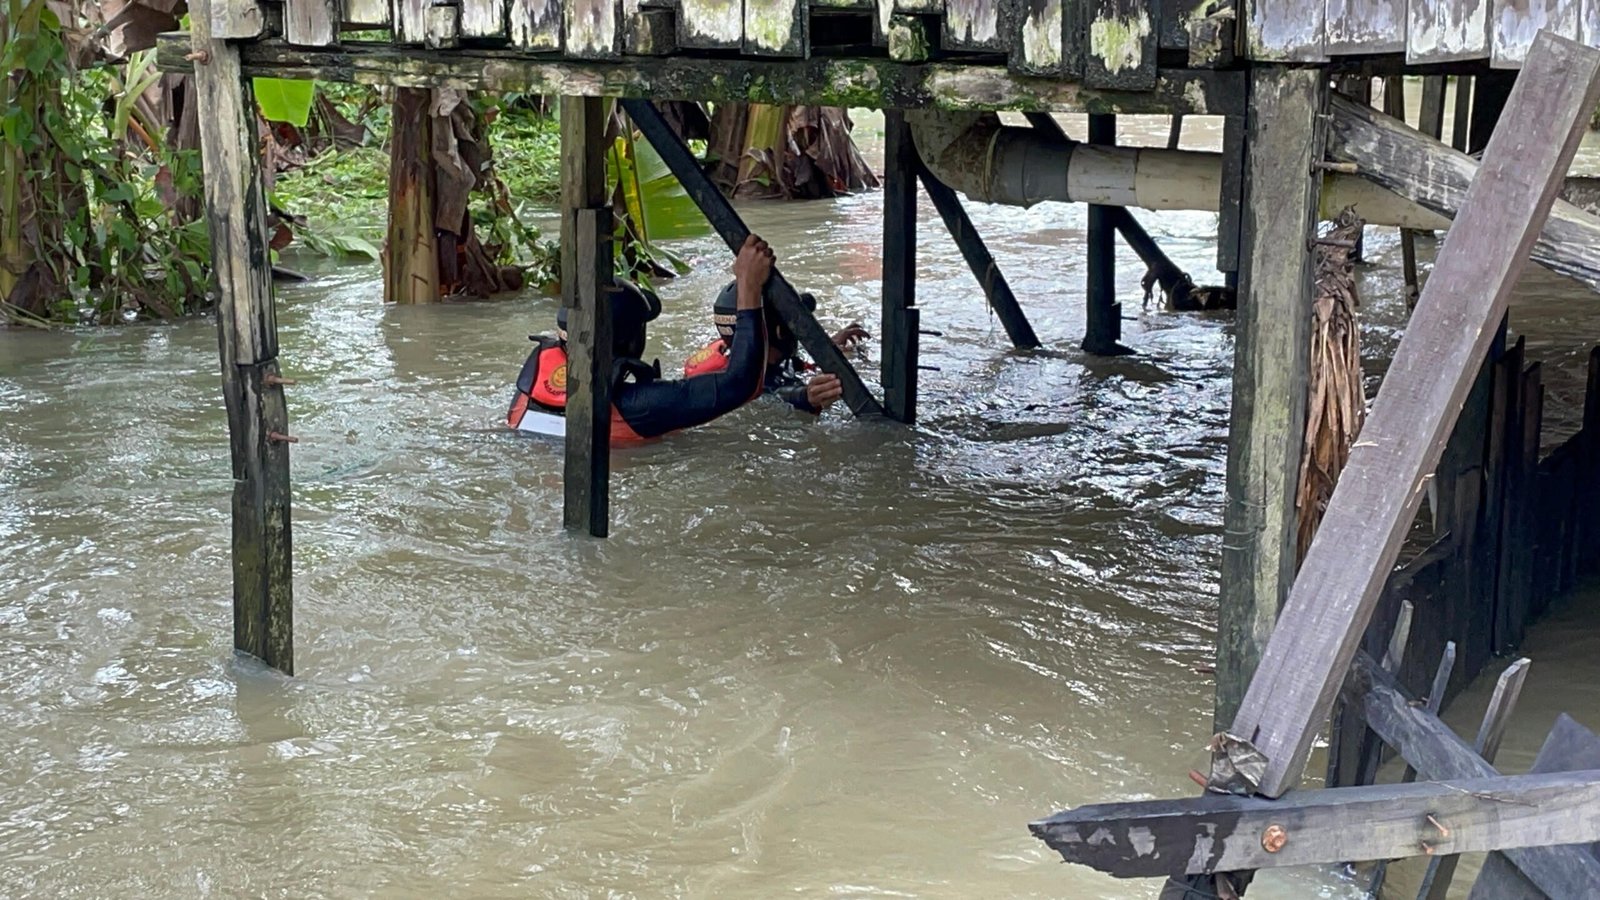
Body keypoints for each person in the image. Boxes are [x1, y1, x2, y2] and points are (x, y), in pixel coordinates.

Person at [507, 235, 776, 446]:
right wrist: (748, 286)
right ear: (632, 339)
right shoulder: (639, 405)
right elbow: (742, 384)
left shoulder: (534, 374)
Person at [682, 282, 870, 414]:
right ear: (781, 332)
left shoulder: (737, 360)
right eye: (794, 323)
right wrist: (807, 397)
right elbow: (773, 396)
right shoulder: (749, 385)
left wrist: (826, 346)